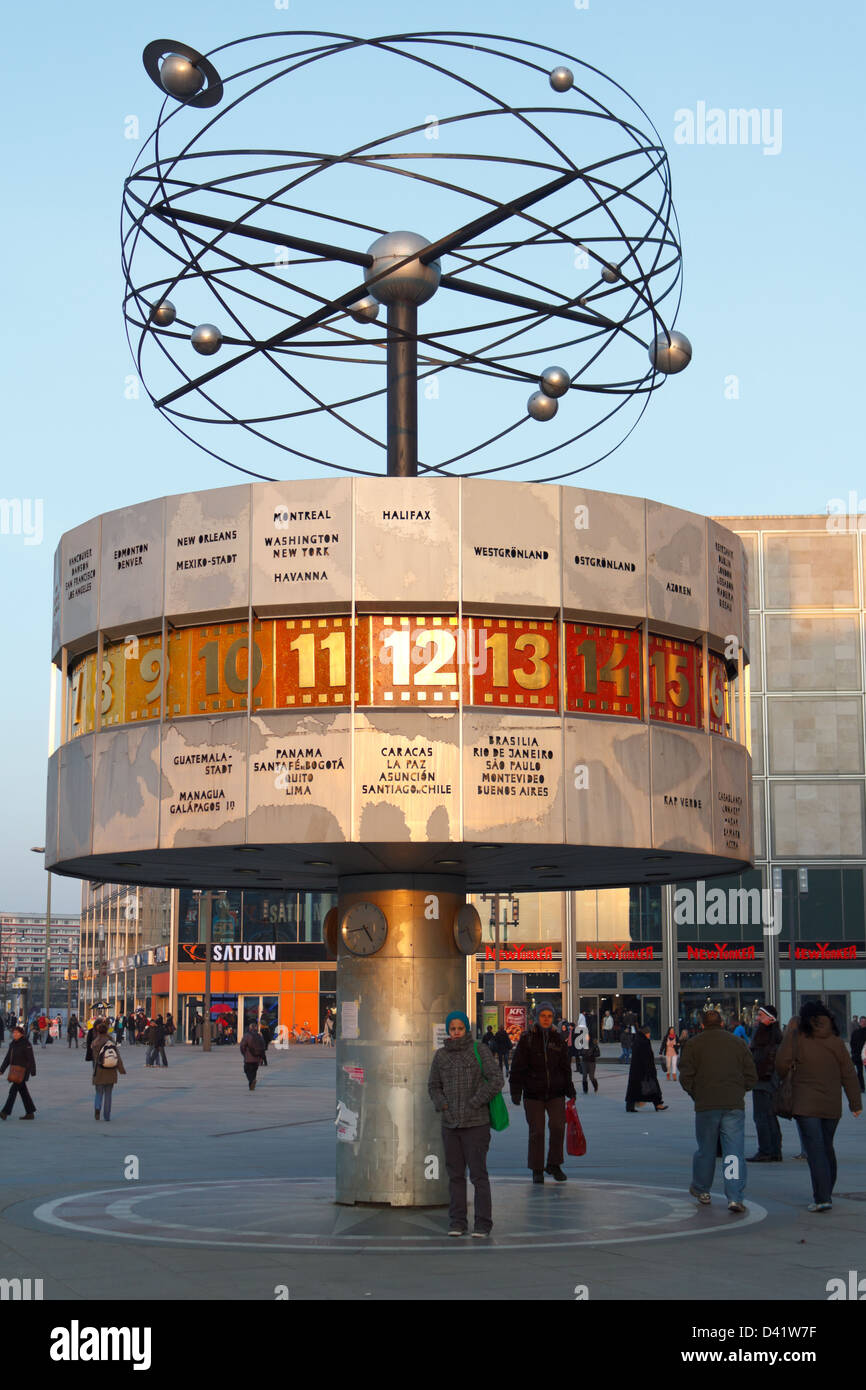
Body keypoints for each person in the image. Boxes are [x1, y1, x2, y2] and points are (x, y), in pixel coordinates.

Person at [775, 1001, 861, 1212]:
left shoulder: (798, 1038)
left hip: (805, 1104)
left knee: (815, 1150)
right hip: (831, 1105)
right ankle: (826, 1191)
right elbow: (849, 1074)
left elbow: (781, 1064)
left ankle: (822, 1197)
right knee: (826, 1147)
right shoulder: (836, 1042)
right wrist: (855, 1103)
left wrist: (790, 1034)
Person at [428, 1010, 502, 1237]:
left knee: (478, 1175)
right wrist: (443, 1104)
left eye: (460, 1028)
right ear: (448, 1031)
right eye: (453, 1029)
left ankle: (482, 1223)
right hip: (450, 1125)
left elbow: (496, 1079)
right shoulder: (441, 1056)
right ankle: (457, 1222)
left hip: (476, 1124)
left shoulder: (479, 1050)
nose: (456, 1032)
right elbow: (433, 1085)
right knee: (455, 1176)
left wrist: (476, 1102)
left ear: (466, 1029)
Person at [679, 1009, 758, 1213]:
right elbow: (751, 1075)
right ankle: (734, 1196)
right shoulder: (738, 1043)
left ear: (702, 1025)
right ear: (722, 1024)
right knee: (733, 1153)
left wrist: (696, 1093)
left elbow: (685, 1076)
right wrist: (740, 1090)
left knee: (706, 1150)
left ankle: (702, 1189)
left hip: (706, 1104)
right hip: (733, 1104)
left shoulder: (694, 1044)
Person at [510, 1003, 576, 1183]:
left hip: (555, 1092)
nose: (546, 1019)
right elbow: (517, 1067)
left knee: (558, 1127)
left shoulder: (557, 1039)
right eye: (543, 1015)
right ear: (537, 1017)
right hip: (533, 1094)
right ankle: (537, 1168)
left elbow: (565, 1067)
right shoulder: (527, 1039)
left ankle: (554, 1164)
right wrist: (516, 1090)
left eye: (549, 1015)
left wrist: (569, 1088)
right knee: (537, 1132)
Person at [747, 1004, 783, 1162]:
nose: (757, 1018)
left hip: (763, 1081)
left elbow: (757, 1055)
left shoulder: (764, 1035)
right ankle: (774, 1150)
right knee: (770, 1116)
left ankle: (766, 1150)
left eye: (761, 1015)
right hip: (770, 1081)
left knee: (761, 1117)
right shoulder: (775, 1036)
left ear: (770, 1018)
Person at [626, 1024, 668, 1112]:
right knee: (653, 1086)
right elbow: (646, 1057)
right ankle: (658, 1104)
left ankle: (630, 1106)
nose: (649, 1034)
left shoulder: (637, 1040)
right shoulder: (644, 1042)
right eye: (648, 1033)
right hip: (645, 1069)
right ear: (645, 1033)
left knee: (634, 1088)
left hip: (636, 1070)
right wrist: (650, 1069)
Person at [0, 1025, 37, 1119]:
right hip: (15, 1071)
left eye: (17, 1033)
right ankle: (30, 1112)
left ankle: (5, 1112)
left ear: (21, 1034)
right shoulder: (12, 1044)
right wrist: (2, 1070)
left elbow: (31, 1058)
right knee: (23, 1092)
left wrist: (32, 1071)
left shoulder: (26, 1044)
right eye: (14, 1032)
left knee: (13, 1091)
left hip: (23, 1071)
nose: (15, 1034)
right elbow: (8, 1058)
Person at [91, 1021, 126, 1121]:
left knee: (99, 1093)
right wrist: (121, 1069)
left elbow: (94, 1057)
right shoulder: (111, 1041)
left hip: (99, 1070)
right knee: (108, 1094)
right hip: (111, 1071)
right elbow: (117, 1056)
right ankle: (107, 1115)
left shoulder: (95, 1042)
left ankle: (97, 1109)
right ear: (106, 1030)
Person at [240, 1020, 266, 1089]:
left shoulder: (247, 1035)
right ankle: (252, 1082)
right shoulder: (259, 1036)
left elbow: (242, 1046)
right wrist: (261, 1057)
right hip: (257, 1058)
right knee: (254, 1071)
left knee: (246, 1070)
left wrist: (244, 1053)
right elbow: (263, 1046)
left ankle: (251, 1081)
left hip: (248, 1057)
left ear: (250, 1028)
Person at [849, 1015, 866, 1093]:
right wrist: (854, 1053)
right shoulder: (855, 1032)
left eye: (864, 1022)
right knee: (859, 1072)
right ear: (859, 1022)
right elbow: (852, 1043)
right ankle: (861, 1087)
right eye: (862, 1021)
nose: (863, 1023)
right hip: (858, 1056)